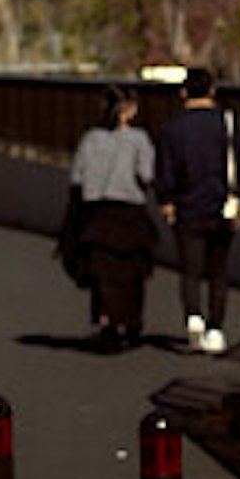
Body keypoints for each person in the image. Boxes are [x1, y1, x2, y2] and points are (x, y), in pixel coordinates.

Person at [156, 67, 240, 354]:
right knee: (218, 271)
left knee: (191, 270)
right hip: (221, 207)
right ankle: (216, 329)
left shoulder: (172, 127)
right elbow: (238, 165)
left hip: (187, 207)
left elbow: (165, 170)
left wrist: (167, 201)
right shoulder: (227, 123)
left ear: (183, 93)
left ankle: (194, 316)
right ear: (212, 91)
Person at [63, 82, 158, 351]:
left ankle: (106, 321)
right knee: (131, 272)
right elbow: (148, 174)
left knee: (102, 274)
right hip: (129, 214)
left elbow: (77, 179)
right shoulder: (138, 139)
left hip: (97, 214)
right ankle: (130, 322)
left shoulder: (90, 139)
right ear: (129, 110)